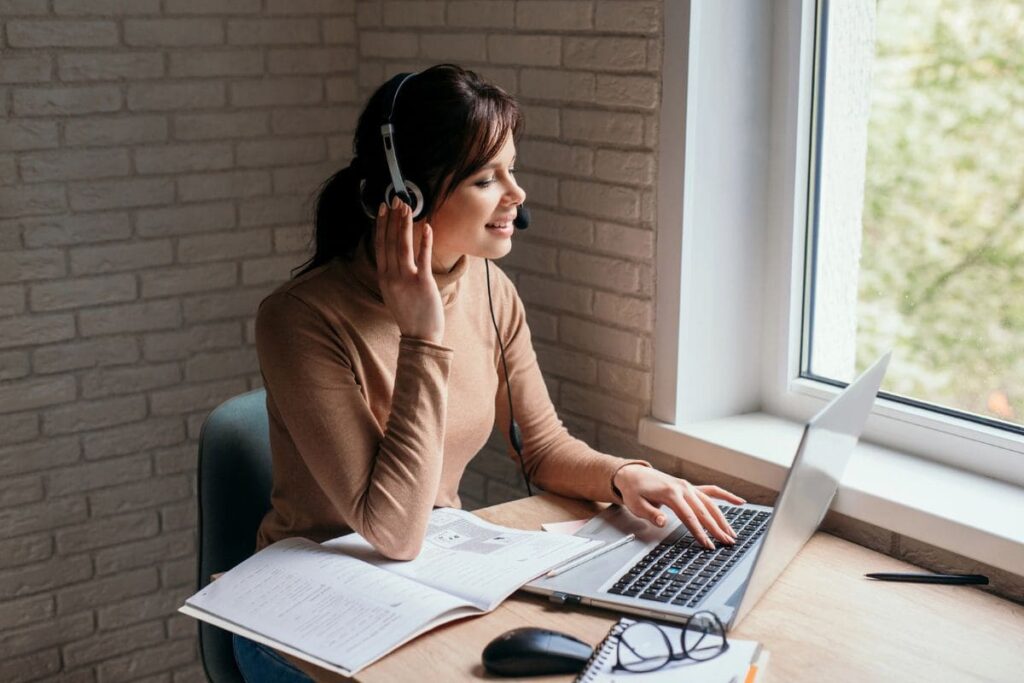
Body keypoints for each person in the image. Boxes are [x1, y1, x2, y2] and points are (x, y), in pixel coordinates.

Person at [233, 64, 746, 683]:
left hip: (418, 579)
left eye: (512, 168)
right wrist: (423, 335)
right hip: (303, 613)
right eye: (485, 177)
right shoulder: (300, 319)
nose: (517, 193)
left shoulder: (489, 287)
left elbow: (544, 446)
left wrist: (628, 475)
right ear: (407, 196)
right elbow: (391, 529)